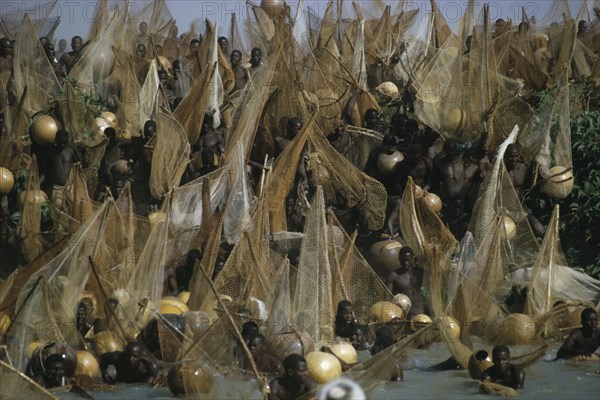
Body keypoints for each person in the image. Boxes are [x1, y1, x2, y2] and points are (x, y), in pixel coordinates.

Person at [385, 246, 425, 317]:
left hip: (419, 310)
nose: (405, 263)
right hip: (403, 313)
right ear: (399, 259)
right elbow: (387, 298)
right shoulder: (394, 275)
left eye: (408, 260)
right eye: (403, 260)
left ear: (412, 259)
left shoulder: (420, 272)